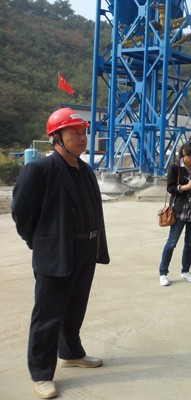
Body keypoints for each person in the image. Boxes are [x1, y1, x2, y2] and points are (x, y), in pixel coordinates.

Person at [12, 107, 110, 399]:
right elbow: (22, 214)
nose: (82, 138)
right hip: (56, 252)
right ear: (56, 137)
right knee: (48, 315)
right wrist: (40, 242)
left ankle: (71, 353)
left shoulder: (85, 170)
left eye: (83, 133)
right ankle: (41, 373)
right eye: (74, 133)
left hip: (85, 250)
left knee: (75, 308)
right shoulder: (39, 170)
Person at [158, 141, 191, 286]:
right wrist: (185, 187)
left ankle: (185, 271)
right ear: (184, 152)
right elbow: (170, 188)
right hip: (179, 210)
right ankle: (163, 273)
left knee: (190, 243)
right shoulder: (175, 167)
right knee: (171, 243)